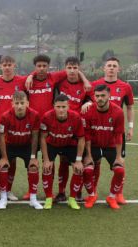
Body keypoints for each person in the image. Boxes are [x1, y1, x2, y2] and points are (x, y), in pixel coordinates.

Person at [22, 54, 90, 200]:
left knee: (54, 161)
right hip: (33, 126)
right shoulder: (28, 81)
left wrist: (84, 80)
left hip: (52, 125)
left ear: (48, 67)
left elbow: (72, 70)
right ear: (35, 67)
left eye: (44, 66)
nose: (41, 69)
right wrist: (30, 76)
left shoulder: (53, 78)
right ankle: (31, 190)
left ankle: (59, 192)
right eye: (38, 66)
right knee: (32, 160)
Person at [86, 57, 134, 205]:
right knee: (96, 162)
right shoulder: (95, 85)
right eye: (109, 66)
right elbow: (86, 102)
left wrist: (131, 126)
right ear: (104, 68)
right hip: (97, 129)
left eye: (114, 66)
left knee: (119, 162)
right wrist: (87, 103)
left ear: (119, 69)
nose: (112, 68)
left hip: (115, 130)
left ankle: (118, 193)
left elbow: (130, 107)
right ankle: (93, 191)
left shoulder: (125, 86)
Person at [82, 84, 125, 209]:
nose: (99, 98)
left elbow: (118, 136)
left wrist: (118, 157)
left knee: (120, 170)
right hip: (94, 145)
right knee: (88, 170)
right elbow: (87, 136)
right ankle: (92, 195)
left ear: (109, 96)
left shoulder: (118, 112)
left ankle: (111, 197)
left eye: (103, 96)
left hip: (110, 146)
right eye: (97, 96)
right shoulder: (88, 111)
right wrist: (88, 155)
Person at [0, 91, 43, 210]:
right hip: (10, 145)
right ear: (12, 103)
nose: (19, 106)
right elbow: (1, 136)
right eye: (16, 103)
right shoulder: (5, 116)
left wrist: (33, 157)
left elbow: (35, 136)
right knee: (3, 166)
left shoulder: (35, 115)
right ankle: (3, 197)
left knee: (33, 167)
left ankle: (33, 199)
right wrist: (4, 157)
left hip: (26, 146)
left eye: (22, 103)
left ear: (27, 103)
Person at [0, 55, 28, 201]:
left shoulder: (22, 81)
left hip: (16, 127)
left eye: (9, 64)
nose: (7, 67)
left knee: (11, 160)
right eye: (4, 65)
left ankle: (8, 190)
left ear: (14, 66)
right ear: (0, 66)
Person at [53, 57, 90, 203]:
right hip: (61, 125)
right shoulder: (60, 82)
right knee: (62, 160)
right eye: (69, 67)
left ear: (79, 69)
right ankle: (61, 192)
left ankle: (78, 192)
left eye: (75, 68)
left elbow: (92, 97)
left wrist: (89, 103)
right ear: (65, 68)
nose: (72, 71)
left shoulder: (85, 86)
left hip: (77, 127)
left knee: (77, 161)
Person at [40, 94, 85, 210]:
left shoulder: (76, 118)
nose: (61, 109)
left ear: (68, 106)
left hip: (69, 144)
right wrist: (46, 160)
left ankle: (72, 199)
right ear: (53, 106)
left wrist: (79, 160)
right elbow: (43, 138)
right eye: (58, 106)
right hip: (52, 144)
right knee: (47, 168)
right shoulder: (47, 117)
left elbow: (81, 139)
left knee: (78, 169)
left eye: (64, 107)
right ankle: (49, 198)